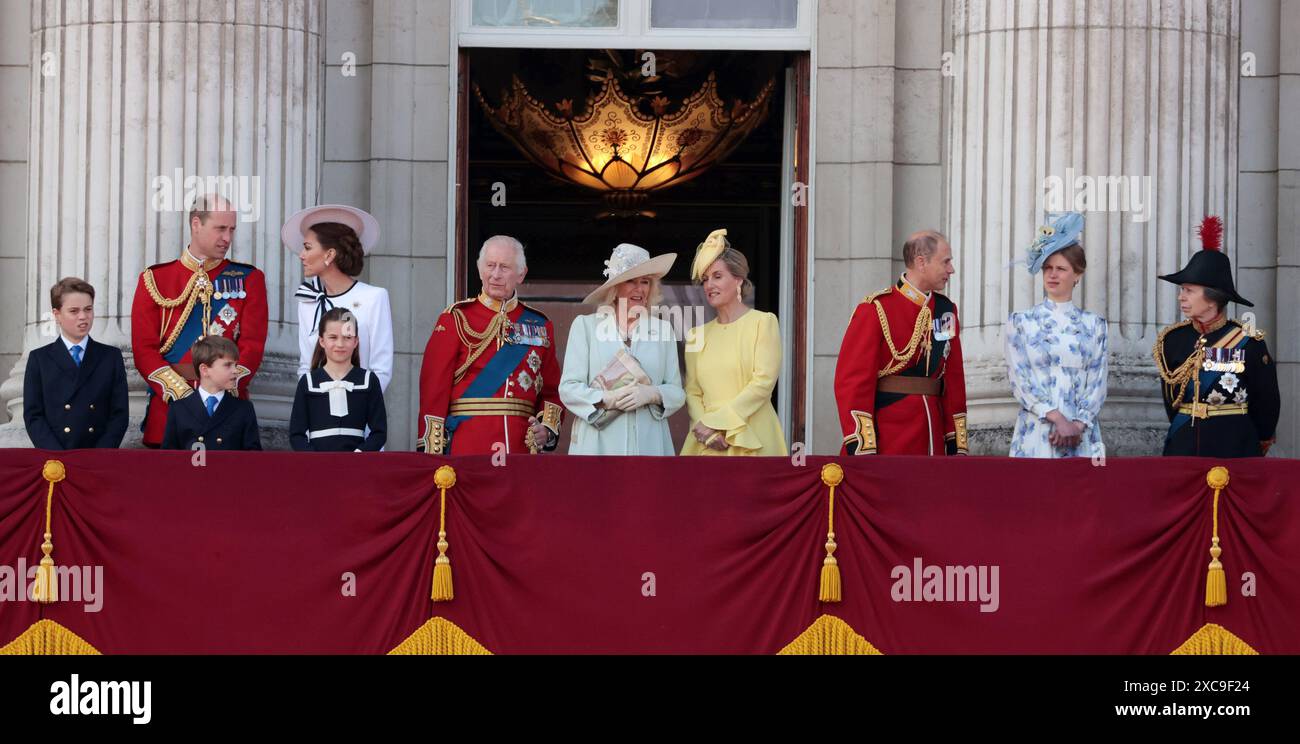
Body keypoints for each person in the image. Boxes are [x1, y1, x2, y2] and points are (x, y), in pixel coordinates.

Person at [131, 193, 268, 447]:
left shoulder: (249, 279)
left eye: (232, 230)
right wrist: (182, 396)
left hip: (228, 415)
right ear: (196, 224)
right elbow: (143, 350)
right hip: (169, 413)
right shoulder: (155, 279)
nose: (227, 238)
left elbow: (252, 345)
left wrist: (221, 387)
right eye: (220, 229)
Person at [417, 236, 564, 455]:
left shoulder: (540, 324)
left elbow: (552, 391)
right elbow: (434, 389)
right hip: (467, 443)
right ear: (479, 270)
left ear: (521, 274)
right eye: (490, 266)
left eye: (504, 267)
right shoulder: (456, 318)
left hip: (520, 445)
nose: (495, 275)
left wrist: (546, 429)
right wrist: (432, 451)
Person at [1154, 216, 1279, 457]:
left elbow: (1266, 400)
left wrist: (1261, 438)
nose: (1181, 297)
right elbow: (1172, 401)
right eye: (1182, 290)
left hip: (1234, 445)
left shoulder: (1248, 341)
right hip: (1184, 444)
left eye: (1189, 291)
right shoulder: (1172, 340)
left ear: (1212, 298)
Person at [834, 230, 968, 456]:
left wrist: (956, 443)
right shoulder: (876, 309)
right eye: (945, 262)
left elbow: (953, 381)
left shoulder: (945, 311)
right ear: (921, 262)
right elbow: (852, 382)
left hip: (933, 437)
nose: (951, 269)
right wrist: (864, 445)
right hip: (890, 436)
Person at [560, 244, 684, 455]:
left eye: (645, 282)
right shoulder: (586, 326)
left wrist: (653, 394)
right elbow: (568, 388)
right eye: (631, 281)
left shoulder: (663, 330)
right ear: (615, 288)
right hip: (597, 446)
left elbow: (677, 392)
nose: (640, 288)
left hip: (649, 445)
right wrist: (606, 398)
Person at [1004, 213, 1108, 458]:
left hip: (1082, 433)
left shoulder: (1095, 325)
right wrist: (1058, 419)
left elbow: (1098, 381)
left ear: (1078, 275)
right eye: (1047, 268)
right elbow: (1019, 378)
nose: (1052, 275)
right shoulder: (1021, 322)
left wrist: (1077, 424)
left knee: (1084, 495)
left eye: (1061, 269)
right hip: (1037, 430)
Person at [679, 229, 786, 456]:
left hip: (753, 434)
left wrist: (718, 423)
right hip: (706, 441)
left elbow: (763, 384)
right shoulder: (696, 334)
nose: (709, 285)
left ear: (738, 279)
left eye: (717, 276)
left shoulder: (763, 323)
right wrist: (706, 430)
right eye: (705, 279)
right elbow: (692, 391)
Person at [283, 205, 394, 392]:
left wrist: (357, 405)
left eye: (308, 248)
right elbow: (305, 366)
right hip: (318, 414)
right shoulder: (308, 301)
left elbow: (381, 370)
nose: (301, 255)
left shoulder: (374, 298)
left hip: (359, 414)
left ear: (330, 254)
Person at [23, 277, 129, 450]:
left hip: (98, 458)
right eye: (74, 311)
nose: (83, 317)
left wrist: (100, 454)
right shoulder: (39, 359)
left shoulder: (111, 357)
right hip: (56, 459)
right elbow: (34, 416)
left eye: (88, 309)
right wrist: (57, 456)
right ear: (57, 315)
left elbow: (119, 414)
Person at [289, 308, 387, 452]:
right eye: (333, 337)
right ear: (322, 341)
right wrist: (314, 459)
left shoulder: (368, 380)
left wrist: (360, 454)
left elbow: (379, 433)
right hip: (318, 467)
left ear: (356, 341)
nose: (340, 344)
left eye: (347, 337)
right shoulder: (308, 382)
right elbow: (296, 434)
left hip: (357, 467)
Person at [161, 336, 262, 451]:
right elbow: (168, 458)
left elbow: (253, 459)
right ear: (204, 370)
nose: (236, 370)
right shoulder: (178, 409)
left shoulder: (243, 409)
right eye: (228, 365)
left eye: (235, 365)